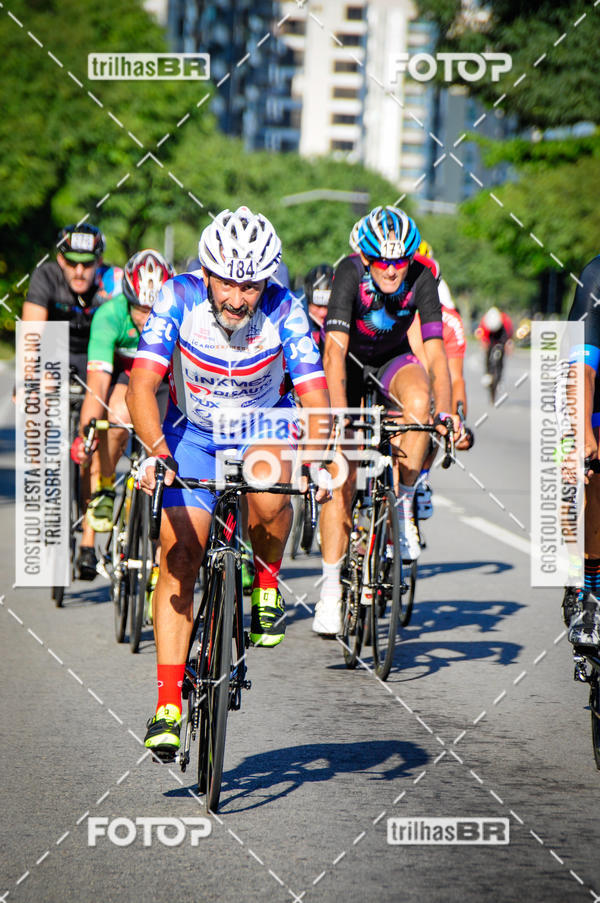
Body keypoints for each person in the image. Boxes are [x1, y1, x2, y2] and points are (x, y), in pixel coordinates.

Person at [126, 206, 331, 758]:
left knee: (270, 495)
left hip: (264, 423)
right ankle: (168, 704)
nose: (239, 298)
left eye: (252, 285)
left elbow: (313, 395)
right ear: (207, 273)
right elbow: (142, 384)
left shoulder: (286, 310)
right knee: (180, 553)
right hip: (193, 430)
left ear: (267, 281)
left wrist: (318, 458)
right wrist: (155, 452)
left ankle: (266, 582)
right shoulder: (177, 297)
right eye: (229, 283)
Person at [313, 205, 457, 636]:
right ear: (368, 257)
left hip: (393, 361)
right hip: (351, 366)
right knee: (341, 475)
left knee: (420, 403)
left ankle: (404, 501)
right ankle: (331, 593)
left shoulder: (422, 277)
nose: (392, 272)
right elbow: (334, 352)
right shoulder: (349, 273)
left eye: (400, 262)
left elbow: (434, 353)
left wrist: (445, 412)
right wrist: (340, 418)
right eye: (383, 262)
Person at [21, 223, 122, 579]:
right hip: (55, 351)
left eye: (87, 263)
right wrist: (29, 383)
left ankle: (87, 544)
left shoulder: (112, 281)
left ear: (99, 260)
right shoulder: (46, 276)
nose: (79, 271)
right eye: (72, 262)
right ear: (60, 258)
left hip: (98, 358)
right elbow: (33, 338)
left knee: (90, 443)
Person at [70, 249, 174, 535]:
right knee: (116, 414)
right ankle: (105, 481)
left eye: (155, 309)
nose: (147, 318)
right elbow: (98, 385)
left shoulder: (179, 316)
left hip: (162, 381)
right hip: (122, 378)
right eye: (141, 310)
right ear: (127, 300)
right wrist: (86, 434)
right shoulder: (110, 315)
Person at [408, 240, 472, 519]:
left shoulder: (450, 320)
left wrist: (456, 420)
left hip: (428, 390)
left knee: (436, 407)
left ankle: (421, 477)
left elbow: (456, 378)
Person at [564, 254, 600, 645]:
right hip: (587, 385)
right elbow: (583, 373)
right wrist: (582, 439)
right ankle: (591, 597)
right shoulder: (597, 275)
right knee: (595, 481)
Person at [477, 306, 513, 384]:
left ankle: (499, 377)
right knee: (487, 353)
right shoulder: (485, 321)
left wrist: (508, 345)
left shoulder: (505, 320)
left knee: (501, 356)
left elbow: (509, 335)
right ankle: (488, 373)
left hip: (501, 337)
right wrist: (483, 343)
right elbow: (481, 334)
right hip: (490, 338)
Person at [304, 263, 334, 350]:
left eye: (327, 306)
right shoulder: (294, 312)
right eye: (317, 306)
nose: (323, 313)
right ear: (308, 301)